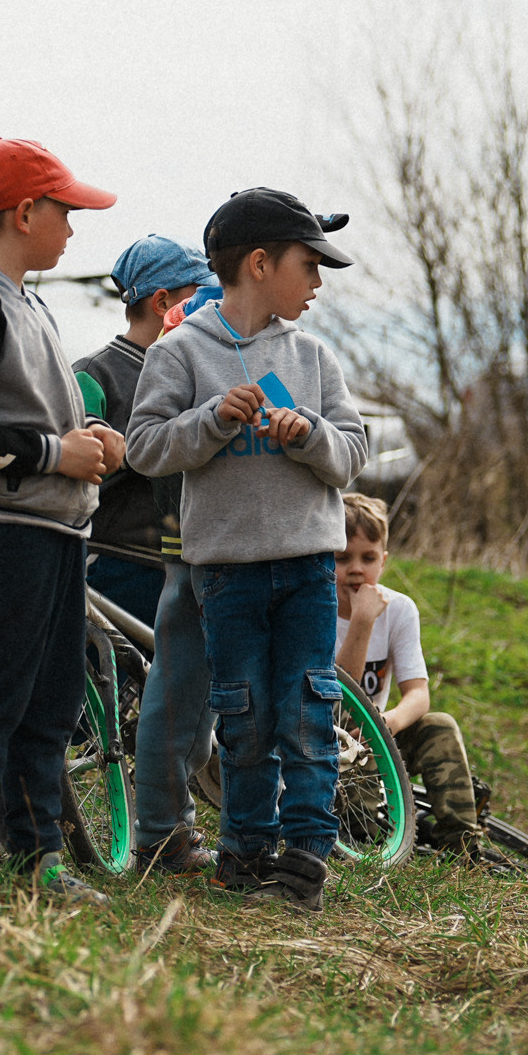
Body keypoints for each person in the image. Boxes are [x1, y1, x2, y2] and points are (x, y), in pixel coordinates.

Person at [127, 188, 368, 911]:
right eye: (309, 266)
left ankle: (305, 859)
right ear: (260, 264)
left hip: (305, 571)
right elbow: (144, 449)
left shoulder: (315, 358)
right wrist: (208, 419)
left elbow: (352, 454)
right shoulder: (179, 354)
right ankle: (246, 852)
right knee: (244, 714)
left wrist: (310, 437)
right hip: (225, 573)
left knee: (305, 708)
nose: (318, 284)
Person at [0, 138, 124, 903]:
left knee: (51, 703)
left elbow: (32, 409)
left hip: (56, 535)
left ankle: (38, 858)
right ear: (25, 211)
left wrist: (89, 438)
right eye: (65, 211)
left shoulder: (28, 300)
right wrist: (51, 454)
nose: (73, 227)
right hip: (5, 534)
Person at [71, 234, 223, 877]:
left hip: (198, 553)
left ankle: (174, 810)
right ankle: (159, 824)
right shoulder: (96, 374)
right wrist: (142, 450)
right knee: (174, 695)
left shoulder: (201, 363)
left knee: (204, 700)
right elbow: (81, 467)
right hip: (125, 558)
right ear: (164, 301)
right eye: (196, 295)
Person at [334, 492, 484, 853]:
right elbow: (340, 697)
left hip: (377, 735)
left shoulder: (400, 609)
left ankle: (460, 843)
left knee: (440, 725)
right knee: (369, 832)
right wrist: (362, 621)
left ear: (383, 561)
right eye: (342, 558)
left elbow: (418, 693)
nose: (357, 568)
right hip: (332, 740)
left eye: (368, 558)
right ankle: (376, 835)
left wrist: (390, 722)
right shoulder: (313, 607)